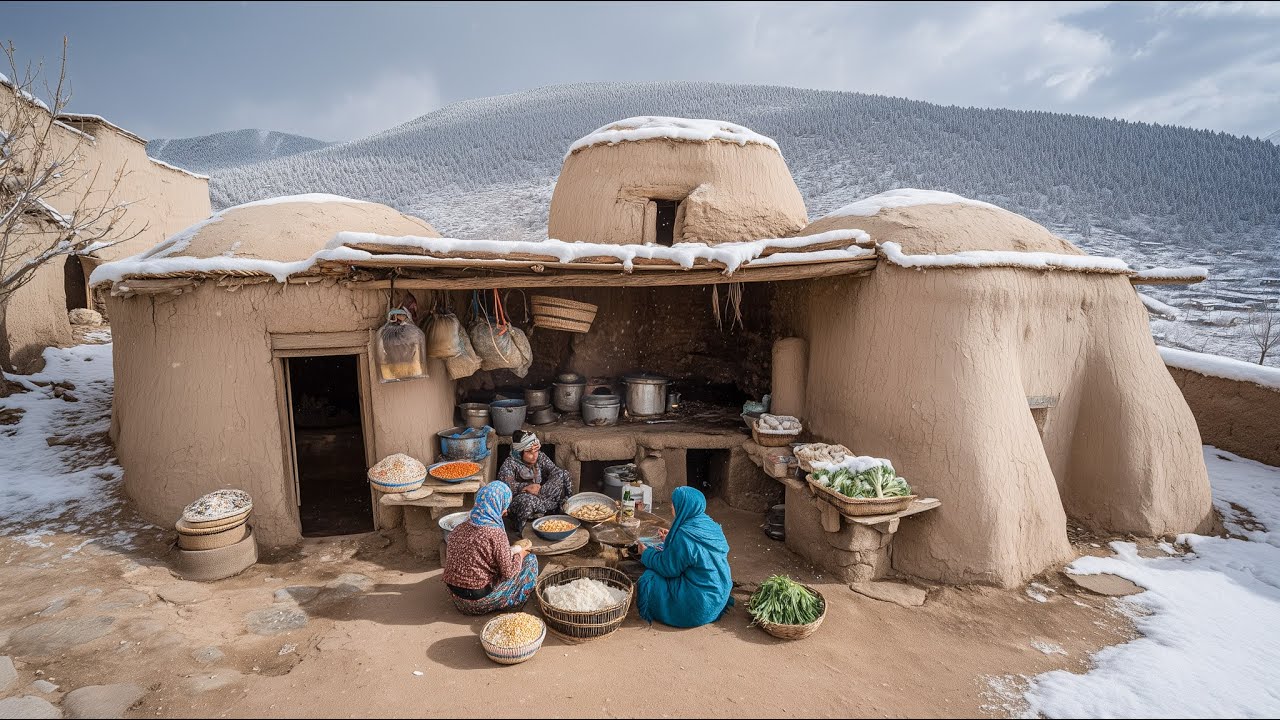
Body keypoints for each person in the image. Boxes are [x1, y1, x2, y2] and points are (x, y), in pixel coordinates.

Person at [632, 486, 733, 628]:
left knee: (649, 578)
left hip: (700, 604)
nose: (671, 506)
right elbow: (697, 552)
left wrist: (646, 553)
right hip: (719, 595)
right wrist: (670, 540)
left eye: (674, 503)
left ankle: (673, 611)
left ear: (684, 506)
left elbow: (668, 568)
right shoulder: (710, 525)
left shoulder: (685, 535)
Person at [442, 482, 539, 615]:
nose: (505, 511)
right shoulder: (495, 534)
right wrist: (521, 554)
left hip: (456, 597)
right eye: (504, 505)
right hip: (479, 601)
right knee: (531, 561)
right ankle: (513, 602)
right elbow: (509, 572)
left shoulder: (459, 528)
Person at [498, 429, 574, 532]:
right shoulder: (509, 464)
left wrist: (545, 488)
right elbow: (504, 489)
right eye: (529, 452)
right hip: (522, 501)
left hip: (542, 494)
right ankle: (522, 529)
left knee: (563, 474)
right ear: (519, 452)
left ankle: (565, 510)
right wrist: (525, 487)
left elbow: (555, 471)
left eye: (536, 451)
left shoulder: (540, 457)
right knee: (527, 501)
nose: (534, 455)